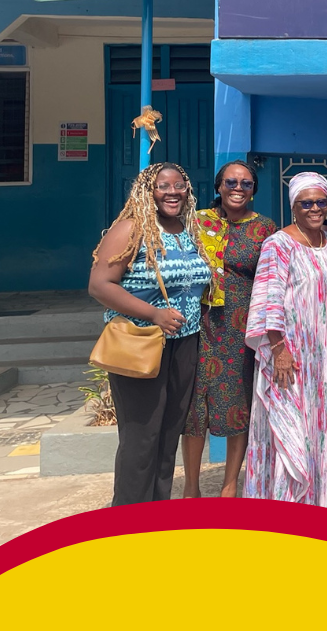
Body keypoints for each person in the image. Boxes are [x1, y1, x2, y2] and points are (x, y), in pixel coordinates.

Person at [88, 161, 212, 506]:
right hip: (139, 343)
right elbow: (99, 285)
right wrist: (153, 313)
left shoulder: (188, 229)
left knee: (168, 435)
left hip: (184, 343)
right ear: (148, 191)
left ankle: (156, 516)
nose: (172, 192)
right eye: (163, 186)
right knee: (141, 437)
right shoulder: (131, 229)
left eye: (179, 186)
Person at [243, 173, 327, 504]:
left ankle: (313, 504)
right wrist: (279, 349)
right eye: (306, 203)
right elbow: (268, 299)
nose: (315, 208)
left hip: (323, 358)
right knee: (287, 432)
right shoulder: (278, 244)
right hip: (290, 355)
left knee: (317, 430)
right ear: (293, 207)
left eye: (320, 202)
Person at [182, 160, 277, 498]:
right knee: (195, 406)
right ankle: (191, 487)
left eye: (246, 184)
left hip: (242, 328)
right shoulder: (196, 223)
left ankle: (229, 486)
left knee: (239, 402)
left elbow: (272, 278)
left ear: (254, 190)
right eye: (232, 182)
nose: (238, 189)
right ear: (219, 186)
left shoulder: (264, 228)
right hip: (197, 324)